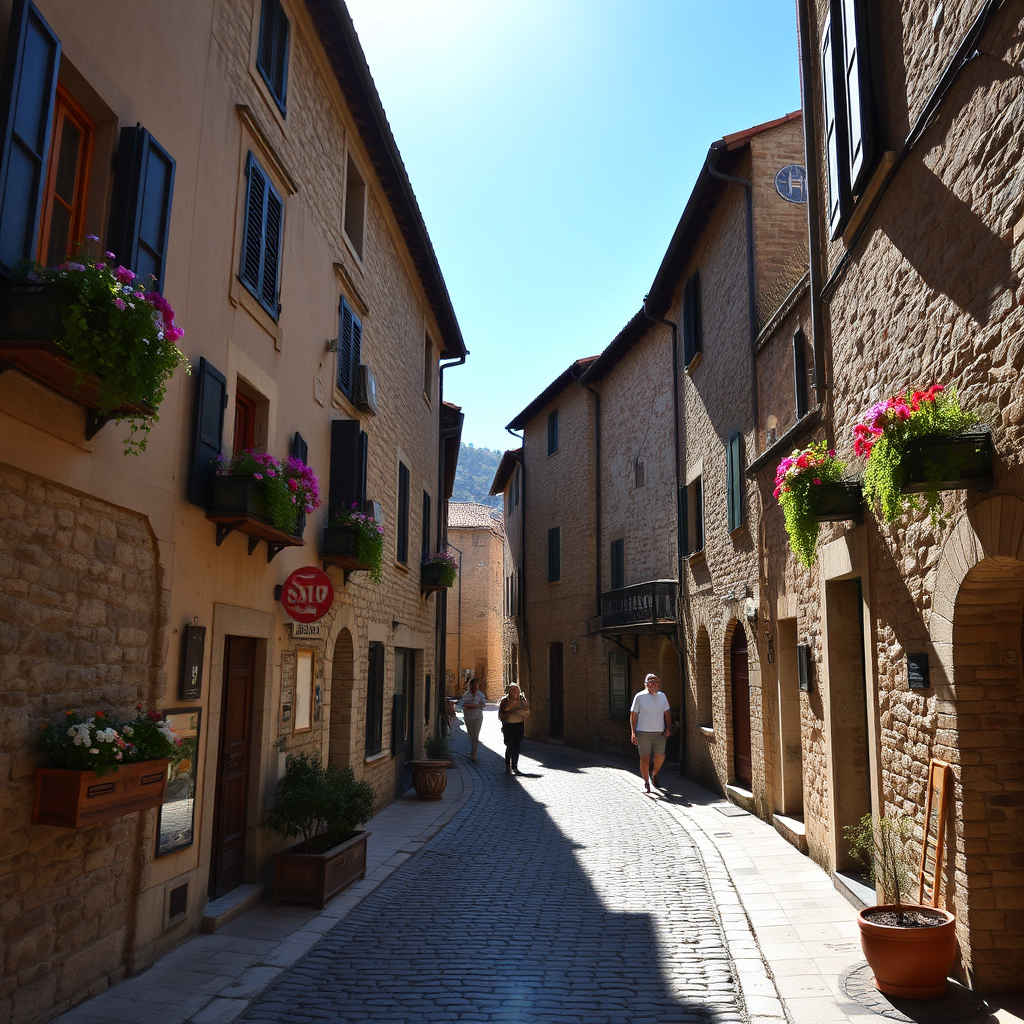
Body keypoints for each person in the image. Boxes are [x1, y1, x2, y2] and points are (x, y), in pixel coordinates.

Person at [629, 673, 671, 793]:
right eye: (651, 682)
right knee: (644, 758)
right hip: (643, 732)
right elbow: (633, 715)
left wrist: (668, 727)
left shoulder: (662, 696)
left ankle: (654, 773)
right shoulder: (639, 697)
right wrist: (633, 732)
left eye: (656, 682)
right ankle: (647, 782)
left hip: (659, 732)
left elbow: (667, 713)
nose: (654, 685)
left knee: (660, 756)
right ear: (646, 684)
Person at [498, 684, 530, 775]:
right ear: (509, 692)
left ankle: (515, 766)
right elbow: (500, 715)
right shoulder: (505, 701)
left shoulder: (522, 700)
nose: (515, 692)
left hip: (519, 725)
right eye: (512, 690)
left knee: (517, 746)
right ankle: (508, 766)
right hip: (508, 726)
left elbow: (527, 713)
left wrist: (522, 712)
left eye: (516, 690)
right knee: (510, 745)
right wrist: (512, 712)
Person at [459, 677, 487, 761]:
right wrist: (470, 706)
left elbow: (483, 704)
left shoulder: (480, 695)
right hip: (468, 717)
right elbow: (463, 705)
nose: (475, 686)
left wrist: (474, 706)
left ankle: (474, 753)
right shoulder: (466, 695)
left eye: (477, 685)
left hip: (478, 717)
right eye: (474, 685)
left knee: (476, 735)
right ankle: (473, 751)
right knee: (471, 734)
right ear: (470, 685)